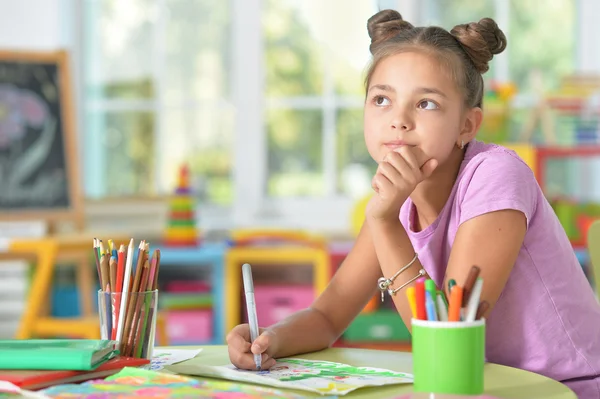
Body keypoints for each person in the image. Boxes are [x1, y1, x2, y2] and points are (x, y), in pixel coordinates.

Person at [226, 9, 600, 397]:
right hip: (477, 387)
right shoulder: (397, 200)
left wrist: (385, 222)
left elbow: (447, 334)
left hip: (566, 389)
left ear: (467, 126)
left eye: (426, 104)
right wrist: (268, 339)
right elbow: (327, 314)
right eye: (382, 99)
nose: (399, 120)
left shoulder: (496, 175)